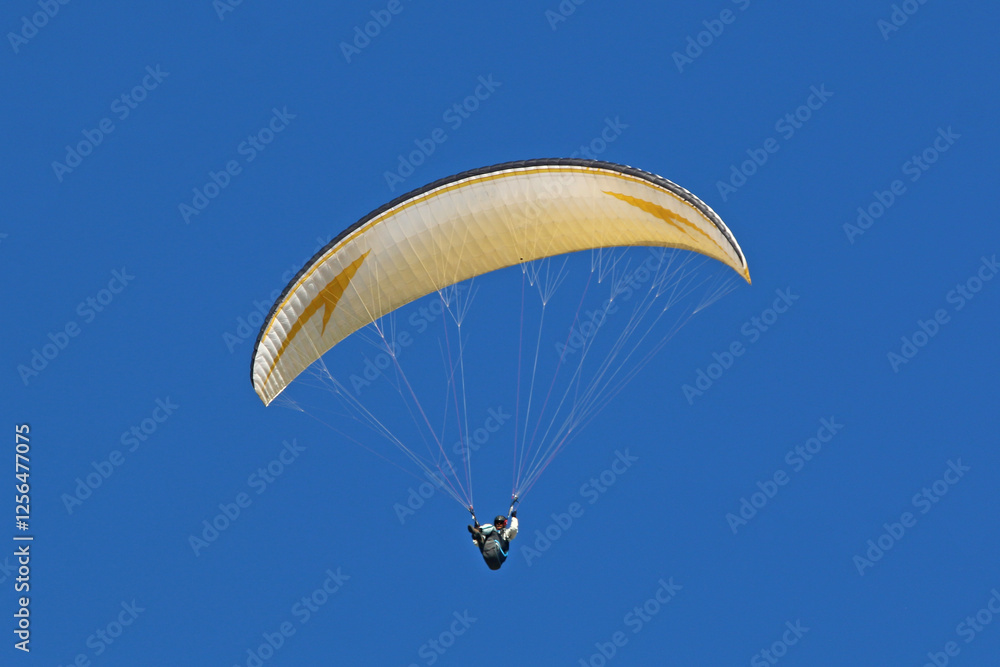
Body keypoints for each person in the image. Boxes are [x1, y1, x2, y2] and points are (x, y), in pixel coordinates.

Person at [468, 500, 518, 570]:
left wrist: (514, 517)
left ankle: (479, 531)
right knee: (486, 537)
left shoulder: (506, 533)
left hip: (499, 555)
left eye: (501, 523)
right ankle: (479, 536)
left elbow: (514, 529)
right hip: (489, 556)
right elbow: (476, 544)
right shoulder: (490, 535)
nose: (498, 524)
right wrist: (475, 537)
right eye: (497, 523)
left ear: (504, 524)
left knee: (492, 530)